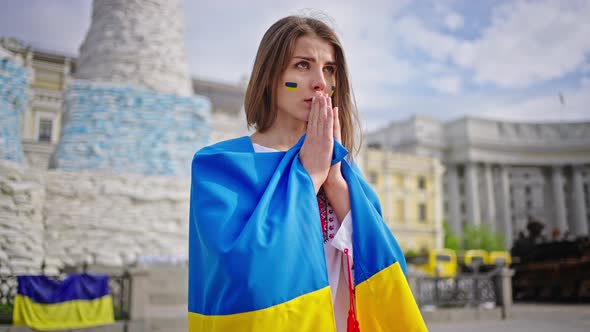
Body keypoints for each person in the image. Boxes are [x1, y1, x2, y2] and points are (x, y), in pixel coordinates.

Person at [188, 15, 426, 332]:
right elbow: (241, 274)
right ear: (270, 75)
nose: (320, 82)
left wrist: (335, 181)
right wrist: (309, 176)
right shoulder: (218, 166)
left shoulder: (349, 179)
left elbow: (388, 274)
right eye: (302, 65)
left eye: (329, 69)